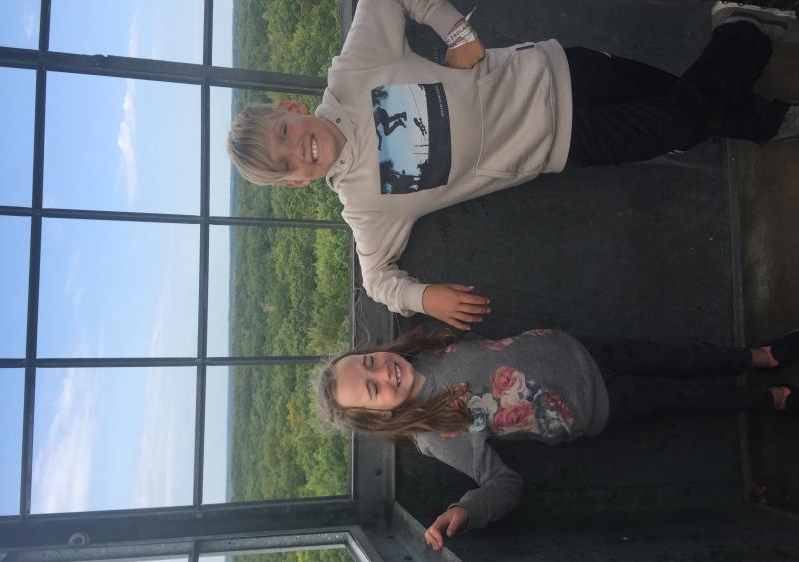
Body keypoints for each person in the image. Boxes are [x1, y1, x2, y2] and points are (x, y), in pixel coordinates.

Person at [228, 1, 799, 330]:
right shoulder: (363, 206)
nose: (298, 149)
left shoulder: (352, 73)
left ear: (292, 111)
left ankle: (769, 116)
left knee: (684, 102)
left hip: (559, 69)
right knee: (683, 118)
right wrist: (424, 299)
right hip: (564, 142)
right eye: (286, 163)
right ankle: (744, 31)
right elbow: (377, 281)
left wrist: (457, 32)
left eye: (285, 134)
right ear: (296, 181)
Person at [316, 327, 799, 551]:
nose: (384, 373)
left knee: (681, 356)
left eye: (370, 362)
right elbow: (502, 484)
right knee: (689, 398)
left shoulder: (420, 351)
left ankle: (761, 356)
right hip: (596, 405)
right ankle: (774, 398)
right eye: (373, 389)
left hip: (586, 346)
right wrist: (466, 510)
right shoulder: (437, 435)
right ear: (380, 417)